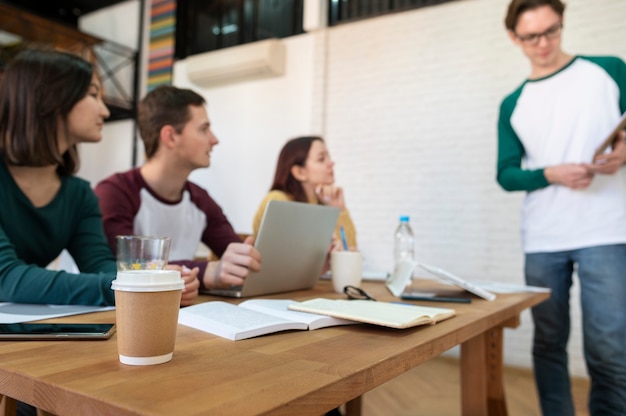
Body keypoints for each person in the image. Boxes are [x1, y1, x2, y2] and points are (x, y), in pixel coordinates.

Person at [497, 1, 626, 415]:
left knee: (609, 348)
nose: (544, 43)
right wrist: (552, 173)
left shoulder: (609, 70)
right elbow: (506, 174)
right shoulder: (513, 103)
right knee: (549, 343)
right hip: (544, 237)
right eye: (532, 36)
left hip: (606, 231)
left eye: (552, 30)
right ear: (514, 38)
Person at [95, 86, 261, 292]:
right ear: (170, 137)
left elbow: (232, 251)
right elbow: (126, 269)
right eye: (203, 129)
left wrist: (245, 260)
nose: (214, 139)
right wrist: (206, 272)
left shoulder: (200, 199)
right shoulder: (114, 193)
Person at [252, 136, 357, 249]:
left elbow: (350, 251)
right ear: (299, 172)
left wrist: (339, 209)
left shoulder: (321, 204)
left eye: (328, 157)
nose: (331, 163)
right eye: (321, 159)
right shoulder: (278, 200)